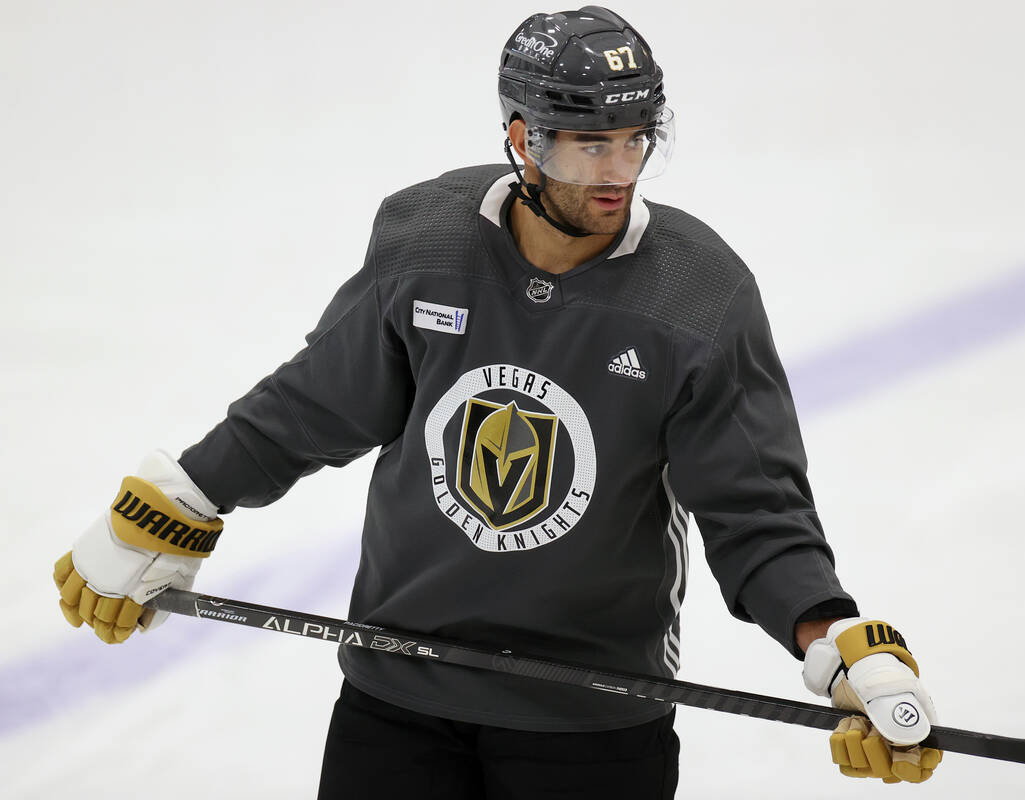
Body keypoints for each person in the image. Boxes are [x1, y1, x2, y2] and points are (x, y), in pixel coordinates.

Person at [52, 6, 942, 797]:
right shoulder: (427, 242)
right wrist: (180, 503)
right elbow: (316, 401)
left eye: (637, 140)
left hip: (590, 724)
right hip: (395, 695)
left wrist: (835, 642)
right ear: (524, 139)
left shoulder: (700, 298)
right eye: (590, 143)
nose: (618, 169)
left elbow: (755, 514)